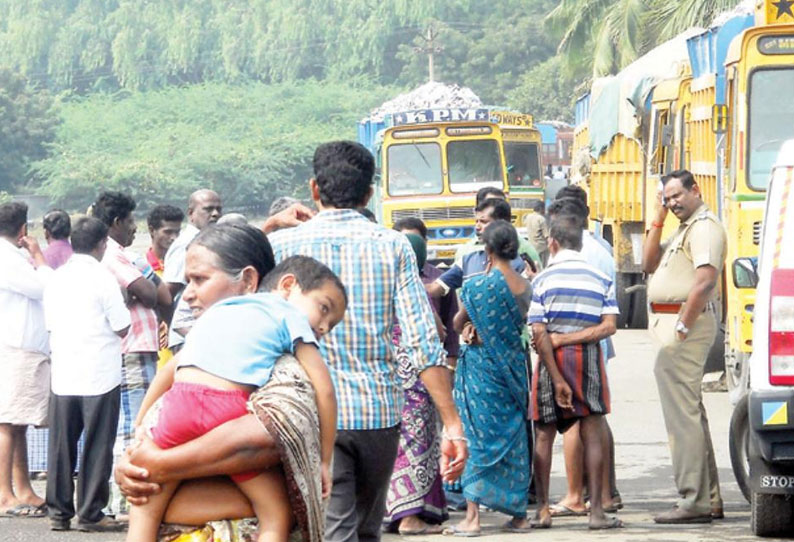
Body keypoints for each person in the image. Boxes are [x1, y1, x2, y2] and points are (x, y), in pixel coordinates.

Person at [268, 141, 467, 542]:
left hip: (308, 414)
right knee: (364, 530)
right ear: (369, 194)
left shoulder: (281, 246)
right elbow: (422, 341)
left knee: (337, 530)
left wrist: (269, 225)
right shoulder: (391, 245)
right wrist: (452, 424)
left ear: (314, 189)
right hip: (377, 416)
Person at [113, 224, 337, 542]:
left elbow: (264, 436)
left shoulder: (288, 373)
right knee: (274, 515)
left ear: (248, 281)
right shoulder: (205, 351)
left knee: (146, 509)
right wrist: (134, 463)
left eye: (200, 279)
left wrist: (156, 463)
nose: (187, 292)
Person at [642, 169, 725, 524]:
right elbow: (647, 264)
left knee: (682, 420)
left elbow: (705, 282)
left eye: (677, 196)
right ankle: (708, 497)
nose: (673, 202)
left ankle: (693, 500)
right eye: (668, 197)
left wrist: (681, 327)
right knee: (690, 414)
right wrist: (657, 219)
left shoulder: (704, 226)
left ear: (696, 190)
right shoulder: (683, 227)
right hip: (673, 324)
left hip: (684, 327)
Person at [529, 214, 621, 530]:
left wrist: (556, 375)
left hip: (550, 360)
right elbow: (609, 327)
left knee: (544, 433)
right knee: (592, 431)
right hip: (589, 360)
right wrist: (576, 337)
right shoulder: (600, 278)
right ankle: (596, 512)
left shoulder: (542, 280)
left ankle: (542, 510)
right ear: (581, 244)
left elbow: (539, 333)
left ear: (552, 243)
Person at [44, 217, 131, 532]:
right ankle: (91, 513)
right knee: (96, 444)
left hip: (65, 371)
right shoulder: (103, 278)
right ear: (102, 244)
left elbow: (49, 323)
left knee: (61, 445)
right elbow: (122, 325)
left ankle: (58, 512)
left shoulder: (56, 278)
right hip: (99, 373)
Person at [445, 220, 532, 536]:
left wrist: (469, 327)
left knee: (478, 437)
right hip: (513, 368)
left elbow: (457, 323)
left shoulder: (477, 287)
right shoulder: (526, 287)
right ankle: (519, 514)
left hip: (482, 372)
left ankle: (473, 517)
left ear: (487, 250)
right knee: (515, 437)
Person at [93, 191, 171, 518]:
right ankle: (124, 502)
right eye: (130, 221)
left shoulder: (108, 253)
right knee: (132, 426)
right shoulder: (114, 255)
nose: (134, 228)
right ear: (115, 223)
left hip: (136, 348)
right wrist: (147, 281)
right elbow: (153, 294)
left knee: (131, 423)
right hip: (133, 349)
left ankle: (122, 500)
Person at [383, 231, 455, 535]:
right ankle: (411, 518)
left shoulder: (381, 286)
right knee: (416, 443)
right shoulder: (417, 291)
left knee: (393, 446)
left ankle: (392, 513)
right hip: (417, 377)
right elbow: (435, 333)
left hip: (387, 378)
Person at [0, 201, 51, 518]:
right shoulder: (8, 259)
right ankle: (4, 495)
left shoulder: (10, 257)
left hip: (20, 347)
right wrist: (39, 256)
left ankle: (24, 489)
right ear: (23, 230)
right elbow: (44, 287)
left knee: (17, 424)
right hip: (15, 347)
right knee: (6, 422)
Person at [426, 198, 536, 300]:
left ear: (502, 224)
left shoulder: (522, 266)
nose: (477, 227)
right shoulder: (467, 261)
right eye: (476, 221)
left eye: (483, 222)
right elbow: (435, 289)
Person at [163, 189, 222, 353]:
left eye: (218, 209)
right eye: (208, 209)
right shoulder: (187, 244)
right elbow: (167, 293)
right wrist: (173, 325)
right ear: (191, 213)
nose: (215, 214)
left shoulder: (207, 240)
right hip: (186, 334)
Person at [146, 205, 184, 275]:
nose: (174, 237)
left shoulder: (184, 262)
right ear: (151, 230)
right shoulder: (142, 266)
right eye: (168, 232)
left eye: (177, 232)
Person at [523, 200, 549, 266]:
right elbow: (546, 235)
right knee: (542, 266)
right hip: (542, 248)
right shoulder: (541, 219)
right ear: (541, 208)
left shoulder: (528, 217)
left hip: (531, 246)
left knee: (534, 266)